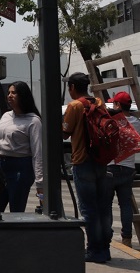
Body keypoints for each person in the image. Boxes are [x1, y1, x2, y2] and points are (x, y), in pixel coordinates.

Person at [62, 72, 113, 264]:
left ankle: (94, 250)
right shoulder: (98, 103)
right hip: (100, 160)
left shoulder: (75, 106)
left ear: (73, 87)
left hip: (82, 161)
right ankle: (104, 248)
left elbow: (65, 133)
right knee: (102, 208)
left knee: (89, 209)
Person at [0, 81, 43, 212]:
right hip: (1, 166)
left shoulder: (33, 121)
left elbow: (38, 153)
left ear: (23, 96)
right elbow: (2, 142)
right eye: (9, 92)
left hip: (20, 169)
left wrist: (40, 182)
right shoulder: (6, 116)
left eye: (14, 93)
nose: (10, 95)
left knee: (16, 212)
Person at [107, 91, 140, 247]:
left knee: (106, 204)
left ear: (118, 105)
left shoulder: (112, 121)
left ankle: (107, 236)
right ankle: (127, 238)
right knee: (125, 204)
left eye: (114, 103)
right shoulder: (137, 122)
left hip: (110, 167)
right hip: (128, 168)